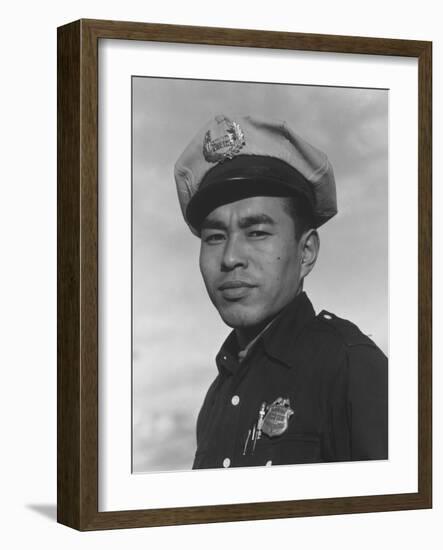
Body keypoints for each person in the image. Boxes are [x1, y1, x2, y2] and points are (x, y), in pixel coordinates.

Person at [174, 114, 388, 469]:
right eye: (214, 236)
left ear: (305, 253)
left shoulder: (350, 367)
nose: (229, 258)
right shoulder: (219, 395)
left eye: (256, 232)